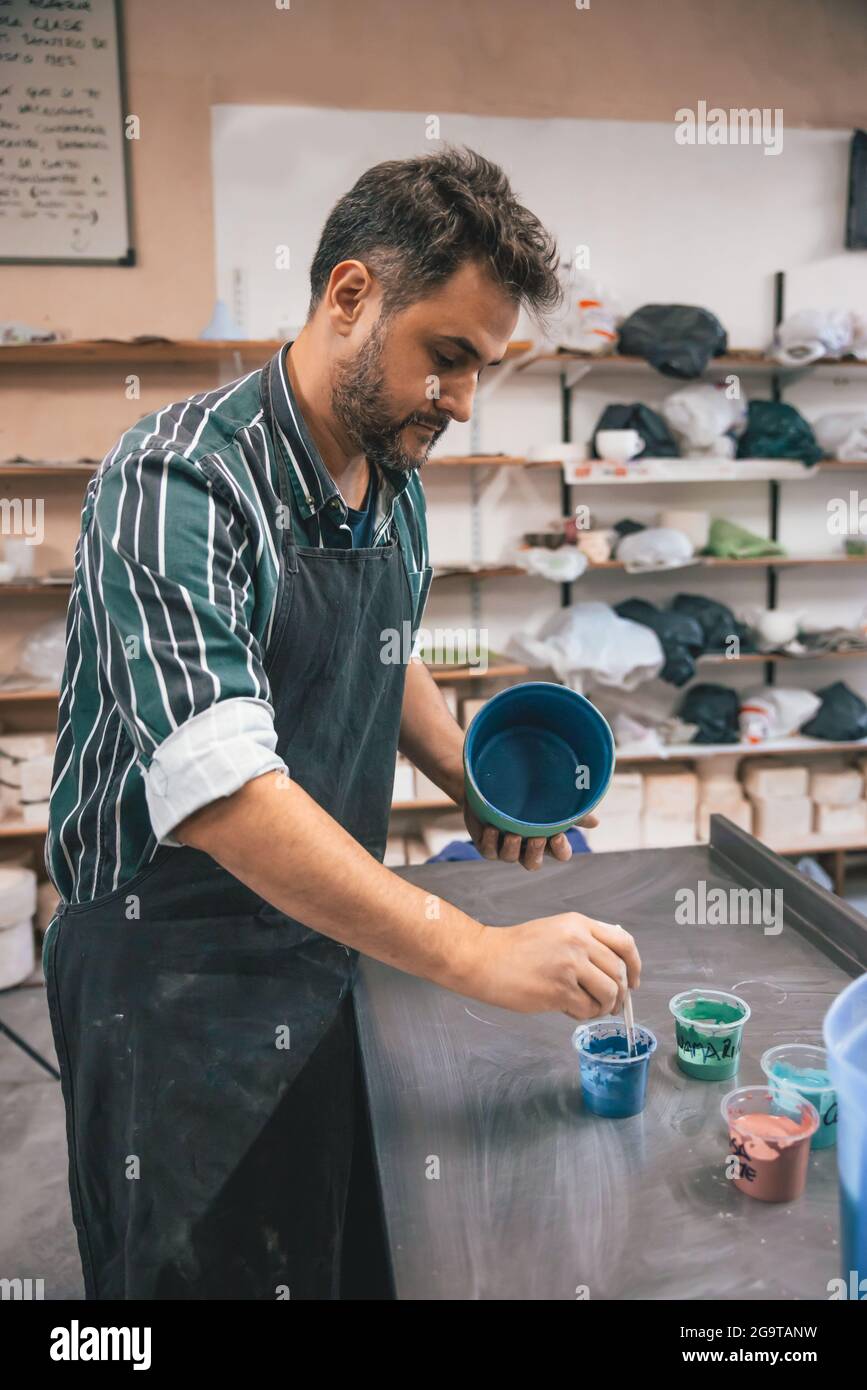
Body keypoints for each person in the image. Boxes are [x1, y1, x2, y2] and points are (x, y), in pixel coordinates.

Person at [44, 147, 641, 1300]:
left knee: (320, 1250)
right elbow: (222, 788)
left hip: (325, 933)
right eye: (449, 357)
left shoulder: (391, 475)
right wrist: (475, 950)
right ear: (351, 296)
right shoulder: (179, 482)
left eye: (486, 369)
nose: (465, 402)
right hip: (168, 975)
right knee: (185, 1278)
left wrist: (470, 773)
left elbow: (381, 653)